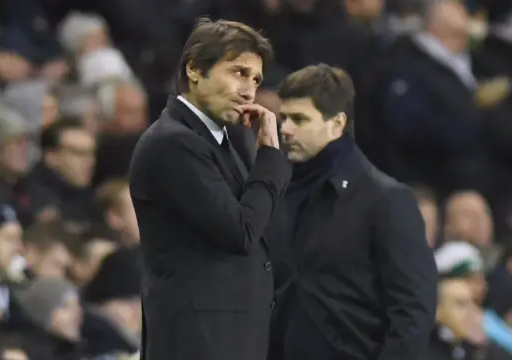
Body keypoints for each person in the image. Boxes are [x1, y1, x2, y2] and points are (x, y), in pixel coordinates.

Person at [128, 19, 292, 360]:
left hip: (230, 337)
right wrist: (270, 157)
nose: (249, 90)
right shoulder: (172, 143)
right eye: (238, 72)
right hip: (197, 340)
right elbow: (240, 231)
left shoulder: (229, 141)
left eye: (256, 79)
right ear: (194, 69)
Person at [266, 64, 438, 360]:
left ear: (337, 124)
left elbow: (413, 310)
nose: (285, 129)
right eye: (283, 118)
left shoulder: (385, 200)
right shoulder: (276, 195)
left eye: (299, 119)